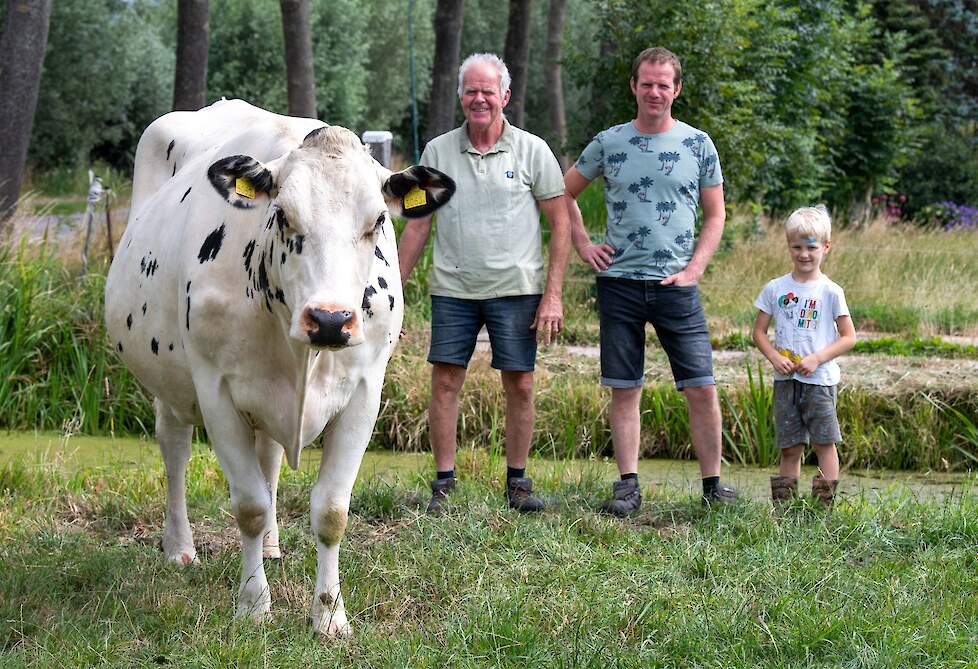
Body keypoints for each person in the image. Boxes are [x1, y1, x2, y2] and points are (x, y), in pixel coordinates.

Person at [563, 47, 737, 515]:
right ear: (634, 87)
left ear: (676, 89)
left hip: (676, 286)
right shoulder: (609, 142)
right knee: (625, 387)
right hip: (618, 282)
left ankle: (713, 485)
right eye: (647, 83)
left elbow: (716, 214)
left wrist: (695, 269)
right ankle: (628, 486)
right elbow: (563, 192)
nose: (655, 92)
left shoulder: (698, 144)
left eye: (664, 84)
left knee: (701, 385)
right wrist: (583, 244)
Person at [398, 53, 570, 513]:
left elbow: (560, 223)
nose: (479, 99)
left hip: (517, 288)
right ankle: (444, 485)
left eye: (487, 91)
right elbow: (416, 226)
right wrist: (392, 289)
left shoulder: (533, 150)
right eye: (470, 91)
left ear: (505, 96)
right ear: (460, 96)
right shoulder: (435, 152)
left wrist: (552, 294)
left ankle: (518, 485)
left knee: (521, 384)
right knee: (445, 381)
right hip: (453, 288)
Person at [752, 206, 856, 507]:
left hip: (819, 382)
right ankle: (785, 511)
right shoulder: (775, 288)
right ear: (788, 247)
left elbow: (849, 337)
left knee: (825, 443)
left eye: (811, 247)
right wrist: (773, 357)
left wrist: (817, 358)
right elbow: (759, 332)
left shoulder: (831, 291)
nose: (804, 254)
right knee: (790, 447)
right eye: (797, 247)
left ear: (826, 247)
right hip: (786, 381)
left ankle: (822, 510)